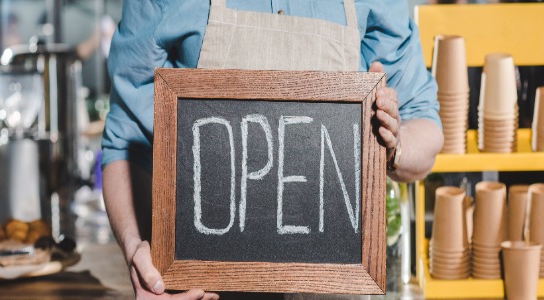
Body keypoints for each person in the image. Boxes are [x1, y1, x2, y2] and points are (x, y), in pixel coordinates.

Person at [102, 0, 443, 298]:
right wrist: (137, 250)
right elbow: (126, 140)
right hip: (202, 290)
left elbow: (425, 132)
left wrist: (392, 143)